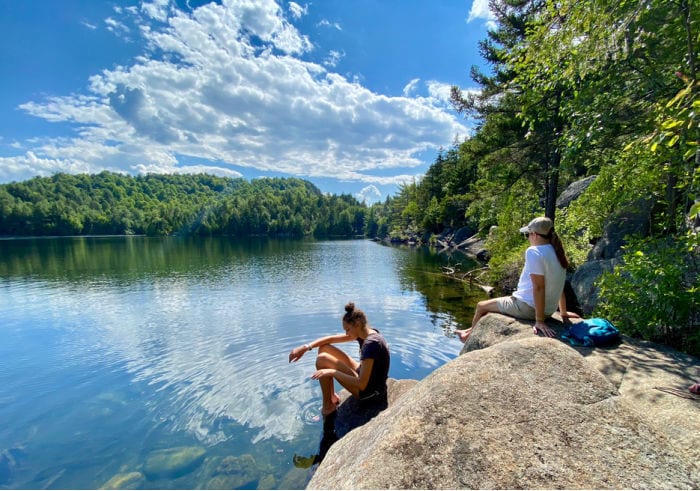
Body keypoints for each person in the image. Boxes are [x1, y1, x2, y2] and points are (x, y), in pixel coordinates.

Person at [455, 216, 580, 342]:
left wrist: (540, 321)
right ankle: (468, 330)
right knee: (489, 308)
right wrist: (563, 313)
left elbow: (539, 287)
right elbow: (559, 285)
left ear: (534, 235)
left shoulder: (534, 251)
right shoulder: (558, 252)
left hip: (528, 307)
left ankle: (467, 338)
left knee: (481, 306)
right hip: (549, 310)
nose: (528, 238)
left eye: (527, 235)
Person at [288, 302, 390, 417]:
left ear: (357, 324)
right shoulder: (368, 333)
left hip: (370, 393)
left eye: (347, 329)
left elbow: (361, 384)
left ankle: (328, 407)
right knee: (324, 347)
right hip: (366, 376)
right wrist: (305, 348)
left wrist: (332, 372)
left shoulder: (371, 344)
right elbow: (330, 339)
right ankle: (332, 397)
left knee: (321, 360)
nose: (346, 333)